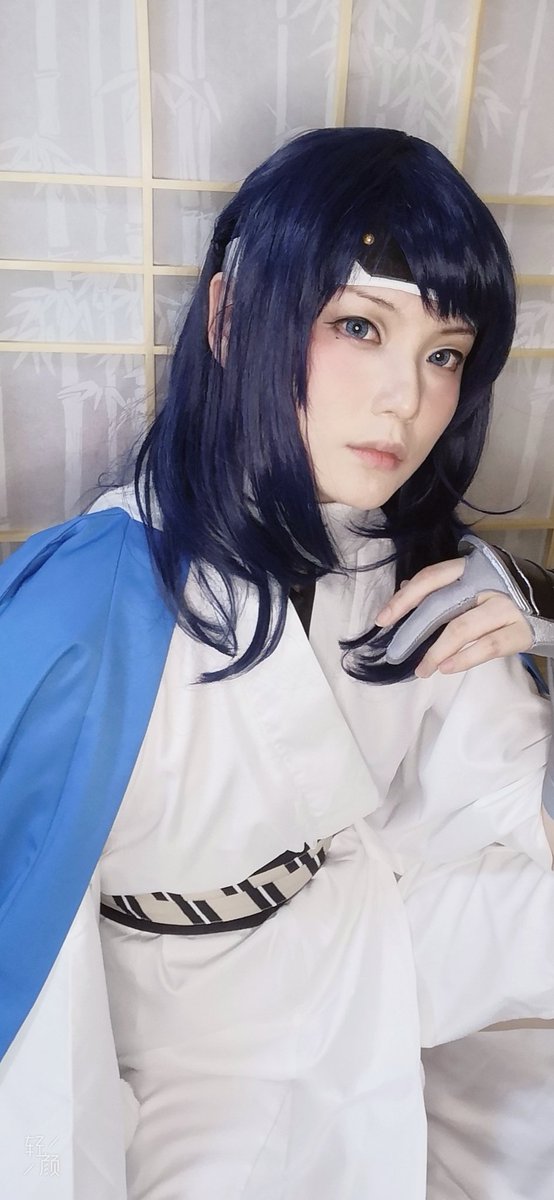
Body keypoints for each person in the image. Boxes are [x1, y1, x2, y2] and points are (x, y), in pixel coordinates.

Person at [1, 126, 554, 1199]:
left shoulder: (414, 564)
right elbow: (32, 971)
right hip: (182, 1020)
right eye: (358, 326)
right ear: (226, 318)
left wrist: (536, 618)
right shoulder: (87, 604)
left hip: (365, 926)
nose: (406, 401)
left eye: (443, 354)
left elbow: (514, 814)